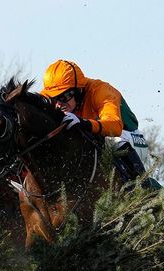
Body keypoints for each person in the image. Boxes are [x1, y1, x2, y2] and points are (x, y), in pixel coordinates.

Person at [41, 59, 154, 188]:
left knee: (113, 140)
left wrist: (84, 123)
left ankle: (146, 191)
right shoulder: (54, 96)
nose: (58, 104)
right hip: (95, 136)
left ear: (78, 90)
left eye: (63, 97)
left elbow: (114, 127)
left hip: (130, 138)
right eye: (53, 98)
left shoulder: (101, 90)